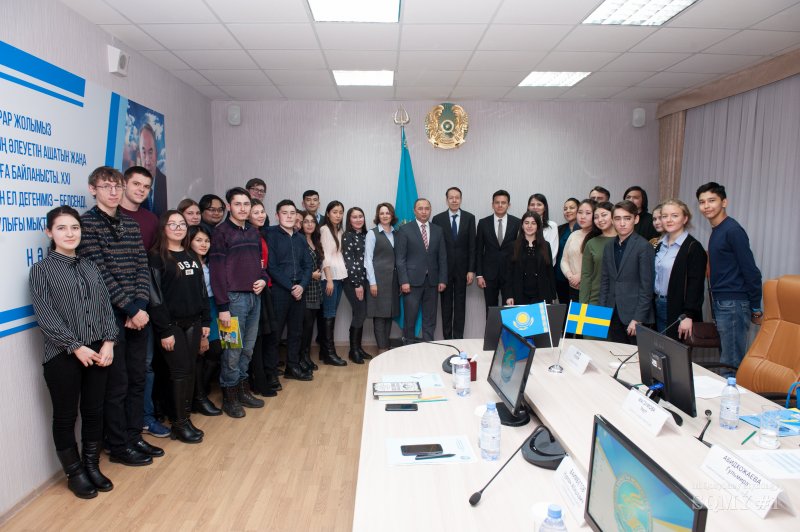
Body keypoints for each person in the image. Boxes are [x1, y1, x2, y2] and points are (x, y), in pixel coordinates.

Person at [29, 206, 118, 499]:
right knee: (65, 417)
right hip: (62, 355)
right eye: (62, 228)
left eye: (75, 228)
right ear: (49, 232)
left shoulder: (90, 266)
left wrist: (109, 341)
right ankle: (75, 473)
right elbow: (46, 316)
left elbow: (105, 306)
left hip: (98, 351)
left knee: (94, 411)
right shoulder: (41, 270)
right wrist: (75, 346)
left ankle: (92, 465)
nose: (70, 233)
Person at [77, 166, 163, 466]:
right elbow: (99, 273)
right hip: (110, 316)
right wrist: (130, 309)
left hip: (136, 313)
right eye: (106, 187)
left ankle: (133, 435)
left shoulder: (130, 224)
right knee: (117, 385)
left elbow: (141, 266)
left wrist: (139, 305)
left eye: (117, 187)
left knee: (138, 379)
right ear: (93, 189)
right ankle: (117, 445)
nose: (113, 192)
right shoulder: (86, 224)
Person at [148, 211, 210, 444]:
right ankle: (178, 423)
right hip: (171, 325)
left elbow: (202, 290)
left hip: (193, 321)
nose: (178, 228)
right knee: (179, 371)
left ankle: (185, 418)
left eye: (181, 224)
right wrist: (164, 330)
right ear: (163, 228)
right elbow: (155, 297)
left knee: (190, 370)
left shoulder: (191, 255)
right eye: (172, 224)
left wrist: (205, 321)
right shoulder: (156, 257)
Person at [119, 166, 169, 439]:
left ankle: (145, 418)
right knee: (119, 372)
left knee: (146, 366)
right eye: (136, 184)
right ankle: (124, 428)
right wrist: (129, 308)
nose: (141, 190)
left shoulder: (151, 219)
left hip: (145, 304)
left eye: (146, 186)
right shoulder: (111, 217)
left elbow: (149, 266)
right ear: (123, 184)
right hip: (117, 308)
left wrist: (140, 306)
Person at [209, 187, 268, 418]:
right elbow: (216, 272)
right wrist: (223, 307)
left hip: (254, 297)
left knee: (248, 349)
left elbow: (260, 263)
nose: (243, 208)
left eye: (246, 204)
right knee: (232, 351)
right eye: (238, 204)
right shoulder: (220, 232)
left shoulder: (253, 231)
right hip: (232, 300)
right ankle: (230, 397)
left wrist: (263, 279)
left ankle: (243, 391)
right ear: (229, 206)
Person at [696, 182, 762, 374]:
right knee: (727, 360)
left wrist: (756, 307)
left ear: (724, 202)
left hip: (733, 303)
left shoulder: (732, 230)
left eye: (711, 200)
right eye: (702, 202)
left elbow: (751, 270)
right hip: (724, 302)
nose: (706, 206)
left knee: (730, 365)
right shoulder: (718, 230)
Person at [264, 200, 313, 380]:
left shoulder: (300, 238)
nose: (289, 216)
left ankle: (292, 367)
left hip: (299, 290)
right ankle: (270, 373)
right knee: (275, 334)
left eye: (292, 213)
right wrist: (291, 287)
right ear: (277, 215)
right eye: (285, 213)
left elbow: (308, 265)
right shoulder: (270, 235)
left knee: (296, 332)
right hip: (280, 290)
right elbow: (272, 267)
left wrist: (302, 285)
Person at [599, 200, 655, 344]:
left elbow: (647, 287)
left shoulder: (644, 246)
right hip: (612, 312)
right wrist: (602, 313)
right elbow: (605, 281)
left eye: (627, 218)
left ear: (636, 219)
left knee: (635, 356)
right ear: (612, 221)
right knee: (614, 353)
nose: (622, 223)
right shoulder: (609, 246)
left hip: (634, 316)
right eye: (617, 219)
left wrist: (638, 318)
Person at [654, 199, 707, 341]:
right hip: (658, 303)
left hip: (677, 309)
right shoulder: (660, 245)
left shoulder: (693, 248)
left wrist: (688, 315)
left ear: (685, 219)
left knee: (672, 350)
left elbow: (696, 286)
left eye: (674, 216)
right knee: (657, 348)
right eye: (664, 216)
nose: (668, 220)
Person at [395, 198, 447, 341]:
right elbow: (400, 259)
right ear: (414, 211)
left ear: (430, 210)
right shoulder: (405, 229)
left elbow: (442, 257)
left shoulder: (438, 230)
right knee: (410, 318)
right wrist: (403, 281)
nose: (424, 212)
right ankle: (409, 346)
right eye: (420, 208)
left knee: (430, 318)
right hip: (411, 282)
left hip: (432, 282)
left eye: (427, 208)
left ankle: (428, 346)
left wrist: (442, 279)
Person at [187, 225, 223, 416]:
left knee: (216, 350)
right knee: (201, 352)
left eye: (207, 241)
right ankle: (197, 396)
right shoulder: (187, 263)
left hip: (214, 306)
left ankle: (201, 390)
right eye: (199, 240)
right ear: (189, 241)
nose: (204, 244)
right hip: (198, 310)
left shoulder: (209, 261)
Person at [431, 187, 475, 339]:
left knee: (460, 305)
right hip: (444, 270)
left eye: (457, 197)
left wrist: (471, 270)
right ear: (446, 200)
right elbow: (435, 247)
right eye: (451, 198)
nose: (454, 200)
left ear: (461, 199)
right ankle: (447, 338)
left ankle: (458, 339)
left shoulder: (470, 218)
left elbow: (472, 246)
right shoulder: (438, 219)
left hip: (463, 270)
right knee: (446, 306)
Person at [245, 199, 279, 397]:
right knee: (253, 339)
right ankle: (255, 382)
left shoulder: (261, 233)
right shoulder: (247, 234)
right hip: (251, 289)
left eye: (262, 211)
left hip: (264, 286)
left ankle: (260, 379)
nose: (260, 215)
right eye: (255, 212)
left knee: (263, 337)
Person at [475, 190, 520, 312]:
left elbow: (519, 250)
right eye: (497, 202)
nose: (500, 205)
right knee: (491, 310)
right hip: (489, 275)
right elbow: (478, 250)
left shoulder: (517, 222)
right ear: (492, 204)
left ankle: (508, 327)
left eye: (503, 202)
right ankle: (491, 327)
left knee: (510, 310)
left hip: (510, 274)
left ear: (508, 205)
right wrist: (479, 275)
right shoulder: (483, 223)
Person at [365, 203, 400, 353]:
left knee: (389, 314)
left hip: (393, 281)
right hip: (378, 280)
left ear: (392, 215)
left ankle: (385, 346)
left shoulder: (396, 233)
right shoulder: (372, 234)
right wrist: (372, 283)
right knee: (379, 316)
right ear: (378, 216)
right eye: (382, 213)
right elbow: (368, 259)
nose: (385, 216)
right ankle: (382, 349)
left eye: (387, 213)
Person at [503, 211, 556, 305]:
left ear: (538, 226)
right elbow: (508, 273)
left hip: (541, 294)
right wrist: (508, 295)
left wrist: (552, 295)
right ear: (522, 226)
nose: (529, 226)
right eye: (526, 223)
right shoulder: (513, 246)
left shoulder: (546, 245)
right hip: (519, 294)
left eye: (533, 223)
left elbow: (550, 272)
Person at [318, 201, 348, 366]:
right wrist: (329, 279)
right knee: (328, 315)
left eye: (340, 212)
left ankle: (324, 352)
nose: (338, 215)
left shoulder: (340, 230)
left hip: (339, 277)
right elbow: (325, 256)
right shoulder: (325, 230)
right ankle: (330, 353)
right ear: (328, 213)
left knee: (331, 315)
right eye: (334, 212)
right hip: (329, 278)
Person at [342, 206, 373, 363]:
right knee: (361, 312)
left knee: (359, 313)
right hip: (353, 281)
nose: (358, 219)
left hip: (365, 280)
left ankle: (358, 348)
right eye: (354, 217)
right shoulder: (347, 236)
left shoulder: (367, 235)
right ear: (349, 219)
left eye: (361, 216)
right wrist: (357, 284)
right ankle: (353, 350)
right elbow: (349, 262)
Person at [299, 211, 324, 370]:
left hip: (316, 289)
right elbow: (295, 265)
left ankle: (306, 356)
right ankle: (301, 358)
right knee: (304, 327)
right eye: (306, 221)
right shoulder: (299, 240)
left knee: (310, 326)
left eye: (312, 221)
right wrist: (310, 275)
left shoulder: (316, 240)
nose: (309, 224)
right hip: (305, 289)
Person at [579, 201, 616, 305]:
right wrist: (583, 304)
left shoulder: (624, 241)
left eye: (604, 215)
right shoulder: (591, 243)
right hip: (596, 299)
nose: (600, 220)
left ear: (614, 216)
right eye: (596, 217)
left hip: (621, 301)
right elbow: (586, 276)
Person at [560, 199, 595, 302]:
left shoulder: (599, 237)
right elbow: (564, 260)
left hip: (593, 290)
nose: (582, 216)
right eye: (580, 212)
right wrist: (570, 276)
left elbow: (599, 265)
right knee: (575, 313)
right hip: (573, 287)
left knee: (592, 313)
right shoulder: (574, 234)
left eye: (588, 213)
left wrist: (580, 276)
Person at [136, 124, 167, 216]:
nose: (147, 160)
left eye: (150, 152)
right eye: (143, 152)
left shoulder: (165, 182)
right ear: (139, 155)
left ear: (156, 153)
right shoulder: (132, 187)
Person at [555, 197, 580, 304]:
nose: (568, 211)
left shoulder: (585, 230)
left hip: (579, 278)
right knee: (564, 307)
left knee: (578, 310)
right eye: (565, 209)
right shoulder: (559, 229)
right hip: (560, 276)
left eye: (571, 208)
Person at [526, 193, 559, 266]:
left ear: (545, 207)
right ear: (528, 207)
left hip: (545, 267)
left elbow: (553, 251)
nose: (535, 207)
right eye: (532, 205)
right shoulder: (523, 225)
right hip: (525, 267)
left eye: (539, 204)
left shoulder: (552, 226)